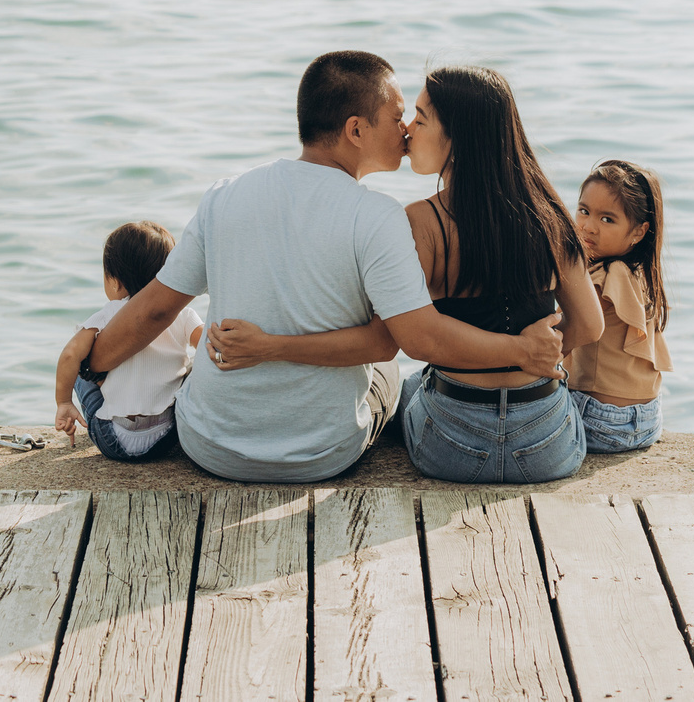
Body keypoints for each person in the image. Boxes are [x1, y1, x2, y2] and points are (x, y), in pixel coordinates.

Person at [90, 51, 565, 483]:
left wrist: (91, 366)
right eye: (398, 117)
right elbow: (385, 344)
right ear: (356, 131)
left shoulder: (223, 195)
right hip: (325, 454)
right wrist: (521, 351)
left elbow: (155, 310)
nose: (406, 130)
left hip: (210, 446)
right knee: (395, 376)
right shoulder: (377, 216)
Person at [206, 65, 603, 482]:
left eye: (421, 118)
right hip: (546, 445)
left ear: (458, 138)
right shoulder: (548, 215)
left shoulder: (423, 222)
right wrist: (538, 357)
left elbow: (415, 339)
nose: (408, 129)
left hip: (453, 445)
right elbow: (590, 325)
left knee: (405, 384)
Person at [55, 221, 204, 461]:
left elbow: (70, 354)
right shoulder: (183, 313)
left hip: (114, 440)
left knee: (81, 370)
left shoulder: (109, 313)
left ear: (115, 281)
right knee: (191, 365)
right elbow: (207, 344)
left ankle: (113, 402)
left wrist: (63, 402)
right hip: (167, 437)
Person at [569, 159, 671, 452]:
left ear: (639, 232)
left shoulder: (604, 279)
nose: (588, 227)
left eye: (607, 219)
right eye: (584, 211)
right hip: (648, 421)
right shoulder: (641, 274)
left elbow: (560, 341)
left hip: (602, 421)